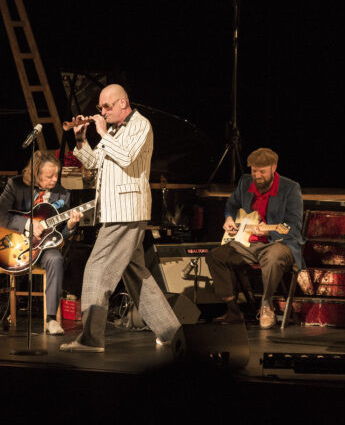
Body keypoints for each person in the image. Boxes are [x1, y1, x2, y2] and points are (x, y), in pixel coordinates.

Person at [60, 84, 182, 353]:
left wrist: (102, 130)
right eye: (100, 108)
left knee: (96, 268)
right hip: (115, 211)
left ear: (123, 103)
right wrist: (81, 139)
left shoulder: (141, 125)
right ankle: (172, 333)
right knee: (137, 274)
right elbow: (95, 163)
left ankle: (91, 339)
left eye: (107, 107)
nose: (102, 111)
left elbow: (126, 157)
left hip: (127, 211)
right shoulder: (114, 130)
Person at [206, 148, 305, 329]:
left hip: (279, 243)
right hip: (248, 243)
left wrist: (269, 231)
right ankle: (233, 311)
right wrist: (228, 217)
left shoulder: (290, 188)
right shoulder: (246, 182)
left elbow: (294, 226)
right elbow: (231, 204)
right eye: (254, 171)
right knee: (216, 256)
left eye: (262, 171)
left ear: (273, 167)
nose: (257, 175)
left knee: (273, 257)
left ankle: (266, 306)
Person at [0, 151, 83, 334]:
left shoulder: (63, 194)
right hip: (14, 243)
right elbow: (1, 215)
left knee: (56, 259)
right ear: (36, 174)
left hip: (44, 247)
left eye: (56, 175)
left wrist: (70, 225)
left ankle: (51, 319)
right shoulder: (15, 184)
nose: (54, 180)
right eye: (49, 176)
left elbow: (62, 234)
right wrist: (28, 223)